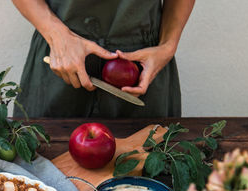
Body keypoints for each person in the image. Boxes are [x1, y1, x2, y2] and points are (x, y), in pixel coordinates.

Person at [12, 0, 195, 118]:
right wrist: (57, 36)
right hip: (61, 60)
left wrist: (167, 47)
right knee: (38, 167)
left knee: (151, 169)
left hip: (143, 65)